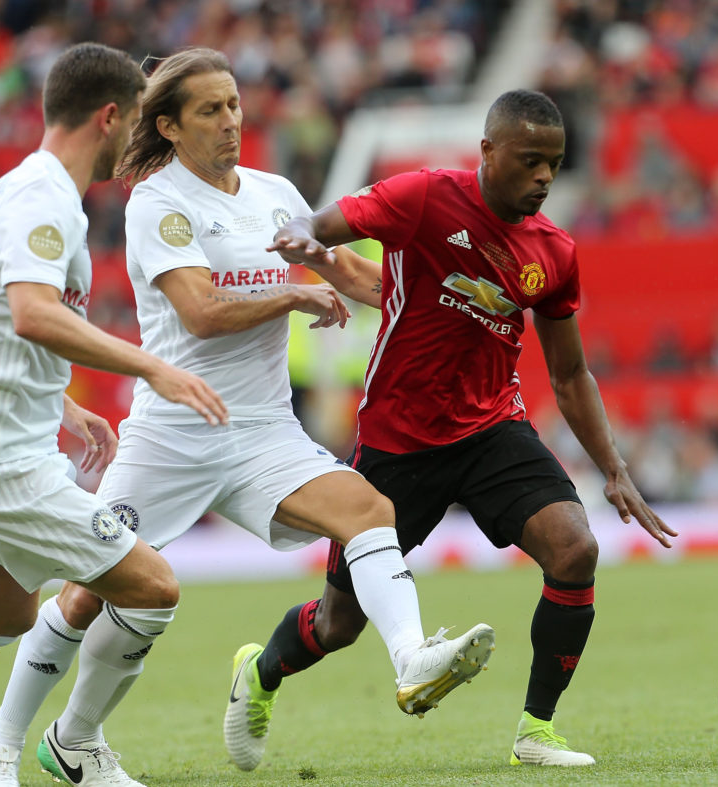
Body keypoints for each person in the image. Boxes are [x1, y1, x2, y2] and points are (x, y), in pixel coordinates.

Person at [0, 47, 494, 785]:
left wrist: (458, 304)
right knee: (89, 590)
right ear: (170, 126)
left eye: (235, 105)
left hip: (261, 432)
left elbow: (347, 271)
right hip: (173, 432)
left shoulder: (275, 193)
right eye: (210, 110)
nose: (230, 122)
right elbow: (201, 311)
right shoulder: (158, 201)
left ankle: (411, 659)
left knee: (369, 509)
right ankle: (1, 743)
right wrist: (290, 295)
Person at [261, 88, 677, 768]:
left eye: (556, 162)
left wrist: (614, 468)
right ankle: (260, 673)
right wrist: (309, 237)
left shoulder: (555, 252)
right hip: (397, 439)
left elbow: (570, 375)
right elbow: (333, 220)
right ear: (488, 151)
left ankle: (536, 731)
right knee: (338, 625)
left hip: (491, 429)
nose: (545, 176)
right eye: (531, 160)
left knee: (574, 550)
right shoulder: (424, 197)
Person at [0, 43, 230, 787]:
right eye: (137, 125)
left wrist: (60, 400)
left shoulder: (17, 190)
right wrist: (152, 363)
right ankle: (76, 746)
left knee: (4, 613)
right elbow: (30, 314)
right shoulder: (43, 201)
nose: (140, 143)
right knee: (152, 586)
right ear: (111, 115)